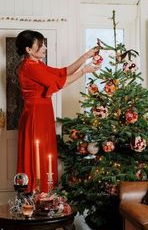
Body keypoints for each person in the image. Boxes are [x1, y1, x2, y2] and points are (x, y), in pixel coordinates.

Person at [15, 30, 100, 193]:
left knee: (44, 151)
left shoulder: (38, 65)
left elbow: (63, 72)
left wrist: (86, 55)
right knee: (37, 152)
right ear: (29, 50)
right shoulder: (30, 67)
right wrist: (84, 71)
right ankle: (36, 192)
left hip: (43, 112)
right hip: (35, 115)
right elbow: (61, 82)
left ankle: (44, 191)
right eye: (40, 45)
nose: (44, 48)